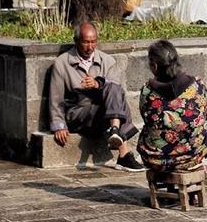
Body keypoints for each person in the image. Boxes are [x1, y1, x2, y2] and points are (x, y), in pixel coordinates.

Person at [48, 21, 143, 170]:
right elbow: (56, 98)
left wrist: (98, 84)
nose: (90, 47)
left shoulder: (107, 61)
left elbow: (116, 91)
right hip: (78, 112)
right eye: (86, 42)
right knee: (117, 105)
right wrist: (59, 125)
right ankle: (123, 152)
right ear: (76, 41)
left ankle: (115, 132)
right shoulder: (62, 63)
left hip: (103, 110)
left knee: (114, 89)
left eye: (93, 42)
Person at [138, 39, 207, 172]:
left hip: (156, 159)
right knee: (205, 126)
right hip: (192, 157)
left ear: (154, 66)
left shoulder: (147, 90)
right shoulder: (197, 86)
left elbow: (146, 117)